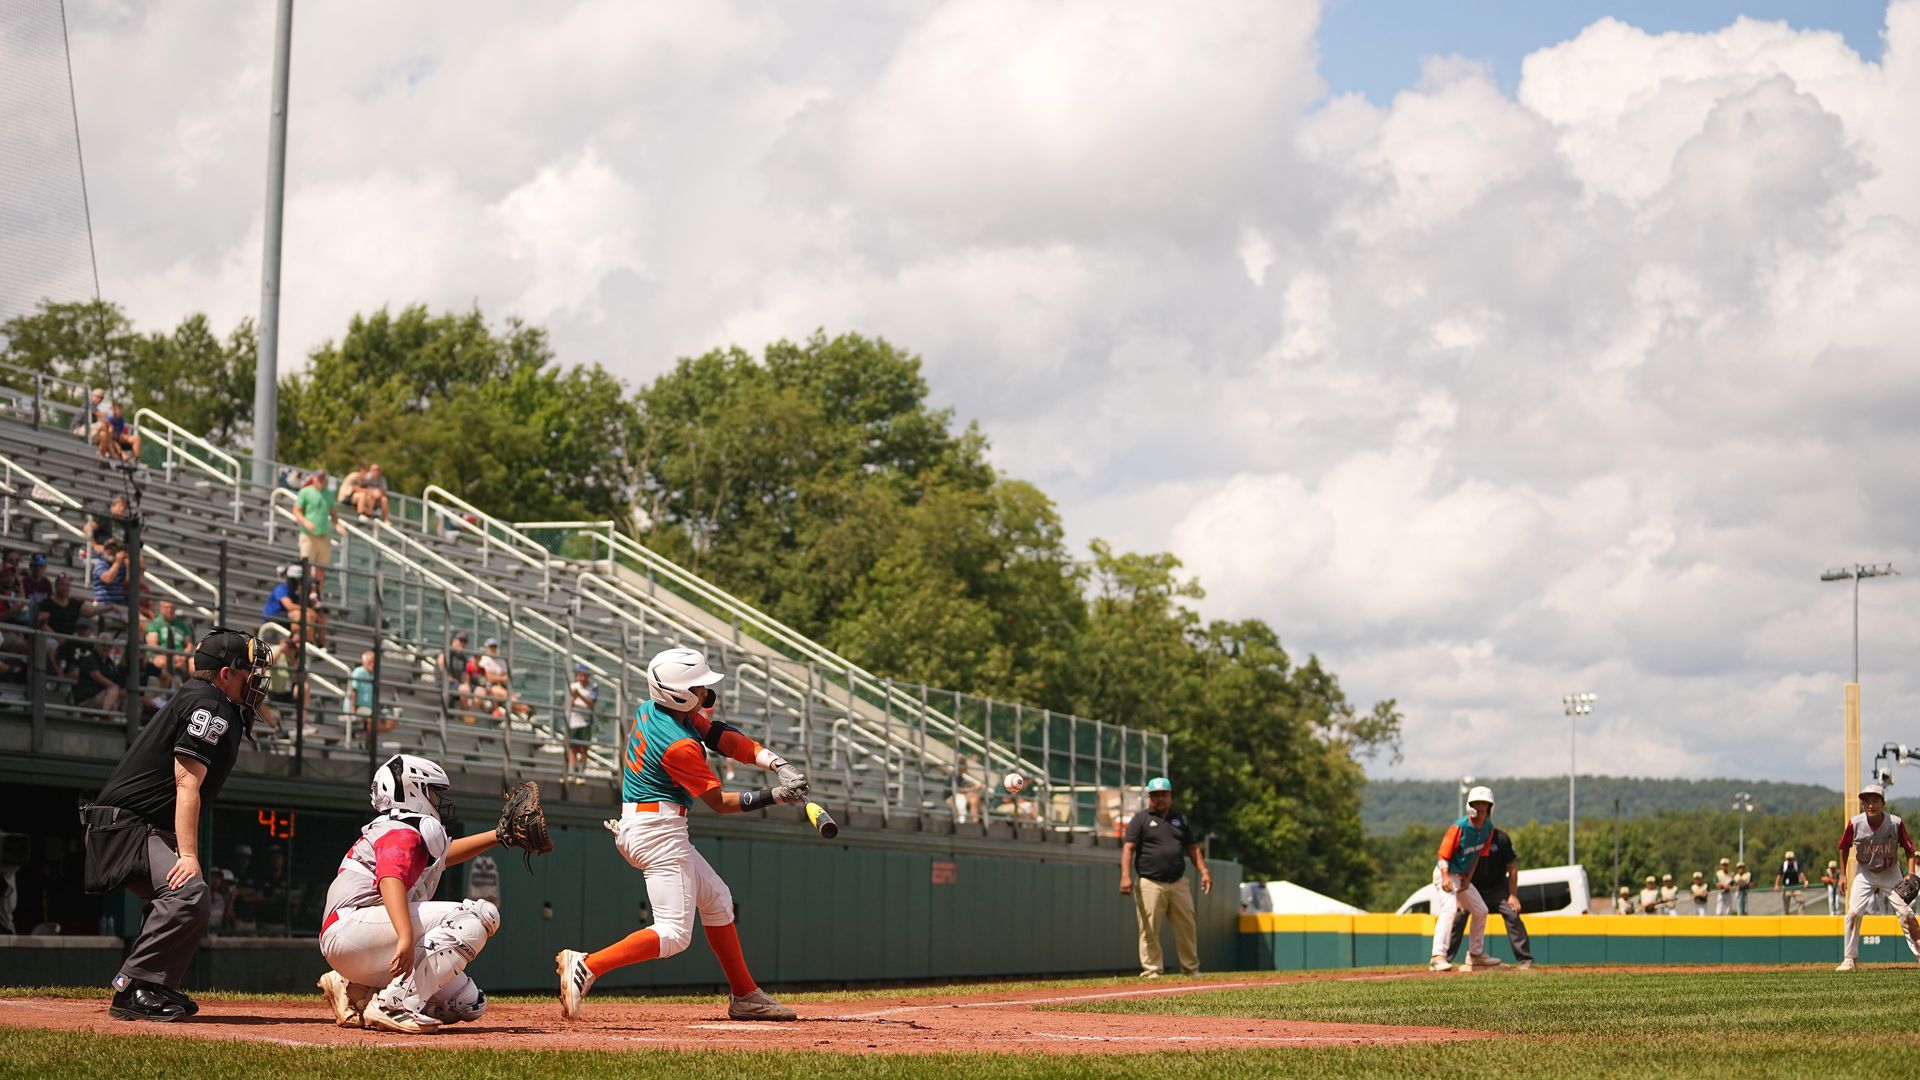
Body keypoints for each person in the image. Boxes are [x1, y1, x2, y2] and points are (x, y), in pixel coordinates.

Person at [556, 647, 809, 1022]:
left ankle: (745, 995)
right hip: (658, 832)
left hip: (650, 825)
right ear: (680, 694)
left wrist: (776, 764)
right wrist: (774, 796)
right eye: (699, 688)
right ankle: (589, 964)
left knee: (719, 901)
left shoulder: (654, 709)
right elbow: (720, 803)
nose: (706, 694)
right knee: (674, 934)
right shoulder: (679, 745)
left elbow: (722, 736)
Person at [83, 628, 264, 1019]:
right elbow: (186, 784)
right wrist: (189, 855)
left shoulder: (212, 701)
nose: (255, 678)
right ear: (225, 674)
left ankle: (155, 983)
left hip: (135, 825)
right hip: (126, 828)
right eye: (248, 669)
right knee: (189, 892)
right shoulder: (209, 705)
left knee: (186, 898)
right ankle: (133, 988)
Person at [315, 754, 513, 1033]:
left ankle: (355, 988)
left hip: (358, 940)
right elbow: (390, 879)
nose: (437, 800)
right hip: (352, 928)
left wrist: (499, 836)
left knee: (467, 1003)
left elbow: (446, 854)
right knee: (478, 916)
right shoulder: (401, 829)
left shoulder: (402, 827)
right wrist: (406, 937)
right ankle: (392, 1005)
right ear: (412, 790)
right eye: (432, 791)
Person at [1119, 776, 1212, 978]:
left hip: (1178, 882)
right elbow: (1128, 849)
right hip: (1150, 881)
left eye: (1163, 794)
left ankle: (1191, 969)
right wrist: (1125, 876)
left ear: (1170, 796)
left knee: (1187, 926)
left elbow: (1193, 848)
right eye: (1155, 795)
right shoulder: (1140, 819)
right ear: (1149, 797)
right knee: (1149, 928)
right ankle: (1152, 970)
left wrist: (1204, 871)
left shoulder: (1180, 819)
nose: (1159, 799)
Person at [1836, 783, 1920, 971]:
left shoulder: (1895, 823)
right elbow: (1843, 847)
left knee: (1905, 913)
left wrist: (1911, 873)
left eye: (1875, 801)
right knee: (1853, 913)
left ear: (1883, 803)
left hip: (1890, 872)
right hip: (1865, 873)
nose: (1870, 805)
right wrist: (1842, 875)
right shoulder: (1855, 823)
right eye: (1866, 801)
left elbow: (1909, 849)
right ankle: (1850, 959)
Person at [1442, 822, 1532, 969]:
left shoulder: (1502, 838)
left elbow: (1513, 866)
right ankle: (1445, 959)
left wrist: (1513, 895)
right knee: (1458, 915)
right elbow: (1457, 867)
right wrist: (1459, 896)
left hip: (1498, 890)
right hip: (1473, 889)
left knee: (1512, 914)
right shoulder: (1470, 839)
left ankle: (1525, 959)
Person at [1427, 785, 1497, 972]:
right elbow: (1443, 854)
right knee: (1449, 909)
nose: (1481, 807)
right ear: (1470, 805)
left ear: (1490, 806)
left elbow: (1477, 856)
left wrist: (1468, 879)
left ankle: (1475, 955)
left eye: (1485, 803)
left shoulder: (1488, 828)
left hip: (1462, 877)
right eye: (1477, 803)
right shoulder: (1460, 826)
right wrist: (1444, 877)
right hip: (1446, 872)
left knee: (1481, 910)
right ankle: (1437, 957)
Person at [64, 620, 124, 714]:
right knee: (114, 690)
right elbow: (96, 675)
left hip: (103, 696)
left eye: (109, 646)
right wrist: (113, 686)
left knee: (119, 693)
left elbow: (116, 678)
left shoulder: (110, 663)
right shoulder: (91, 658)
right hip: (87, 697)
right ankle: (104, 714)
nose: (106, 648)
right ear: (97, 645)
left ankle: (106, 717)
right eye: (103, 645)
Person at [290, 471, 335, 588]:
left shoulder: (329, 494)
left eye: (323, 479)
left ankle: (317, 595)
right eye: (319, 478)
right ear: (314, 479)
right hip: (308, 535)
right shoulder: (306, 492)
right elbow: (296, 510)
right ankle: (306, 594)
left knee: (321, 569)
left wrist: (338, 525)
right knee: (307, 567)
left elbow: (333, 512)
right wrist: (305, 522)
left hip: (323, 536)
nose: (320, 481)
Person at [144, 600, 195, 683]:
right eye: (167, 607)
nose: (170, 610)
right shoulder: (155, 624)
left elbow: (189, 645)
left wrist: (183, 657)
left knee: (194, 664)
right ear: (161, 608)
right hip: (161, 655)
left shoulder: (182, 625)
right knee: (162, 662)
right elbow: (152, 645)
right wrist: (172, 656)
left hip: (181, 656)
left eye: (172, 607)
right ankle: (166, 692)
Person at [349, 650, 396, 740]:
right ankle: (367, 737)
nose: (373, 664)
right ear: (364, 662)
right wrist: (353, 711)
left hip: (370, 708)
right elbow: (353, 691)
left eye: (374, 662)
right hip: (359, 707)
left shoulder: (374, 675)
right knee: (374, 720)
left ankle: (368, 735)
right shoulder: (358, 672)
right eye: (370, 662)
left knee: (392, 722)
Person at [565, 664, 598, 779]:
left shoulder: (593, 686)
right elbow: (569, 703)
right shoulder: (573, 686)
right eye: (580, 675)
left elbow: (591, 704)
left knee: (584, 748)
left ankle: (581, 773)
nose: (582, 678)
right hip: (574, 720)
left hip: (586, 721)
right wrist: (574, 697)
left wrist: (579, 695)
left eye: (584, 675)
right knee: (573, 748)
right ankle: (572, 772)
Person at [1776, 850, 1808, 914]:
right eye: (1788, 859)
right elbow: (1779, 875)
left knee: (1801, 901)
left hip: (1796, 887)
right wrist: (1777, 885)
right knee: (1786, 906)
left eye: (1791, 859)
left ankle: (1801, 918)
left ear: (1793, 859)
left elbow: (1801, 874)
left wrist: (1805, 881)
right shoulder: (1784, 865)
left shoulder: (1796, 865)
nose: (1790, 861)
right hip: (1786, 888)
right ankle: (1787, 918)